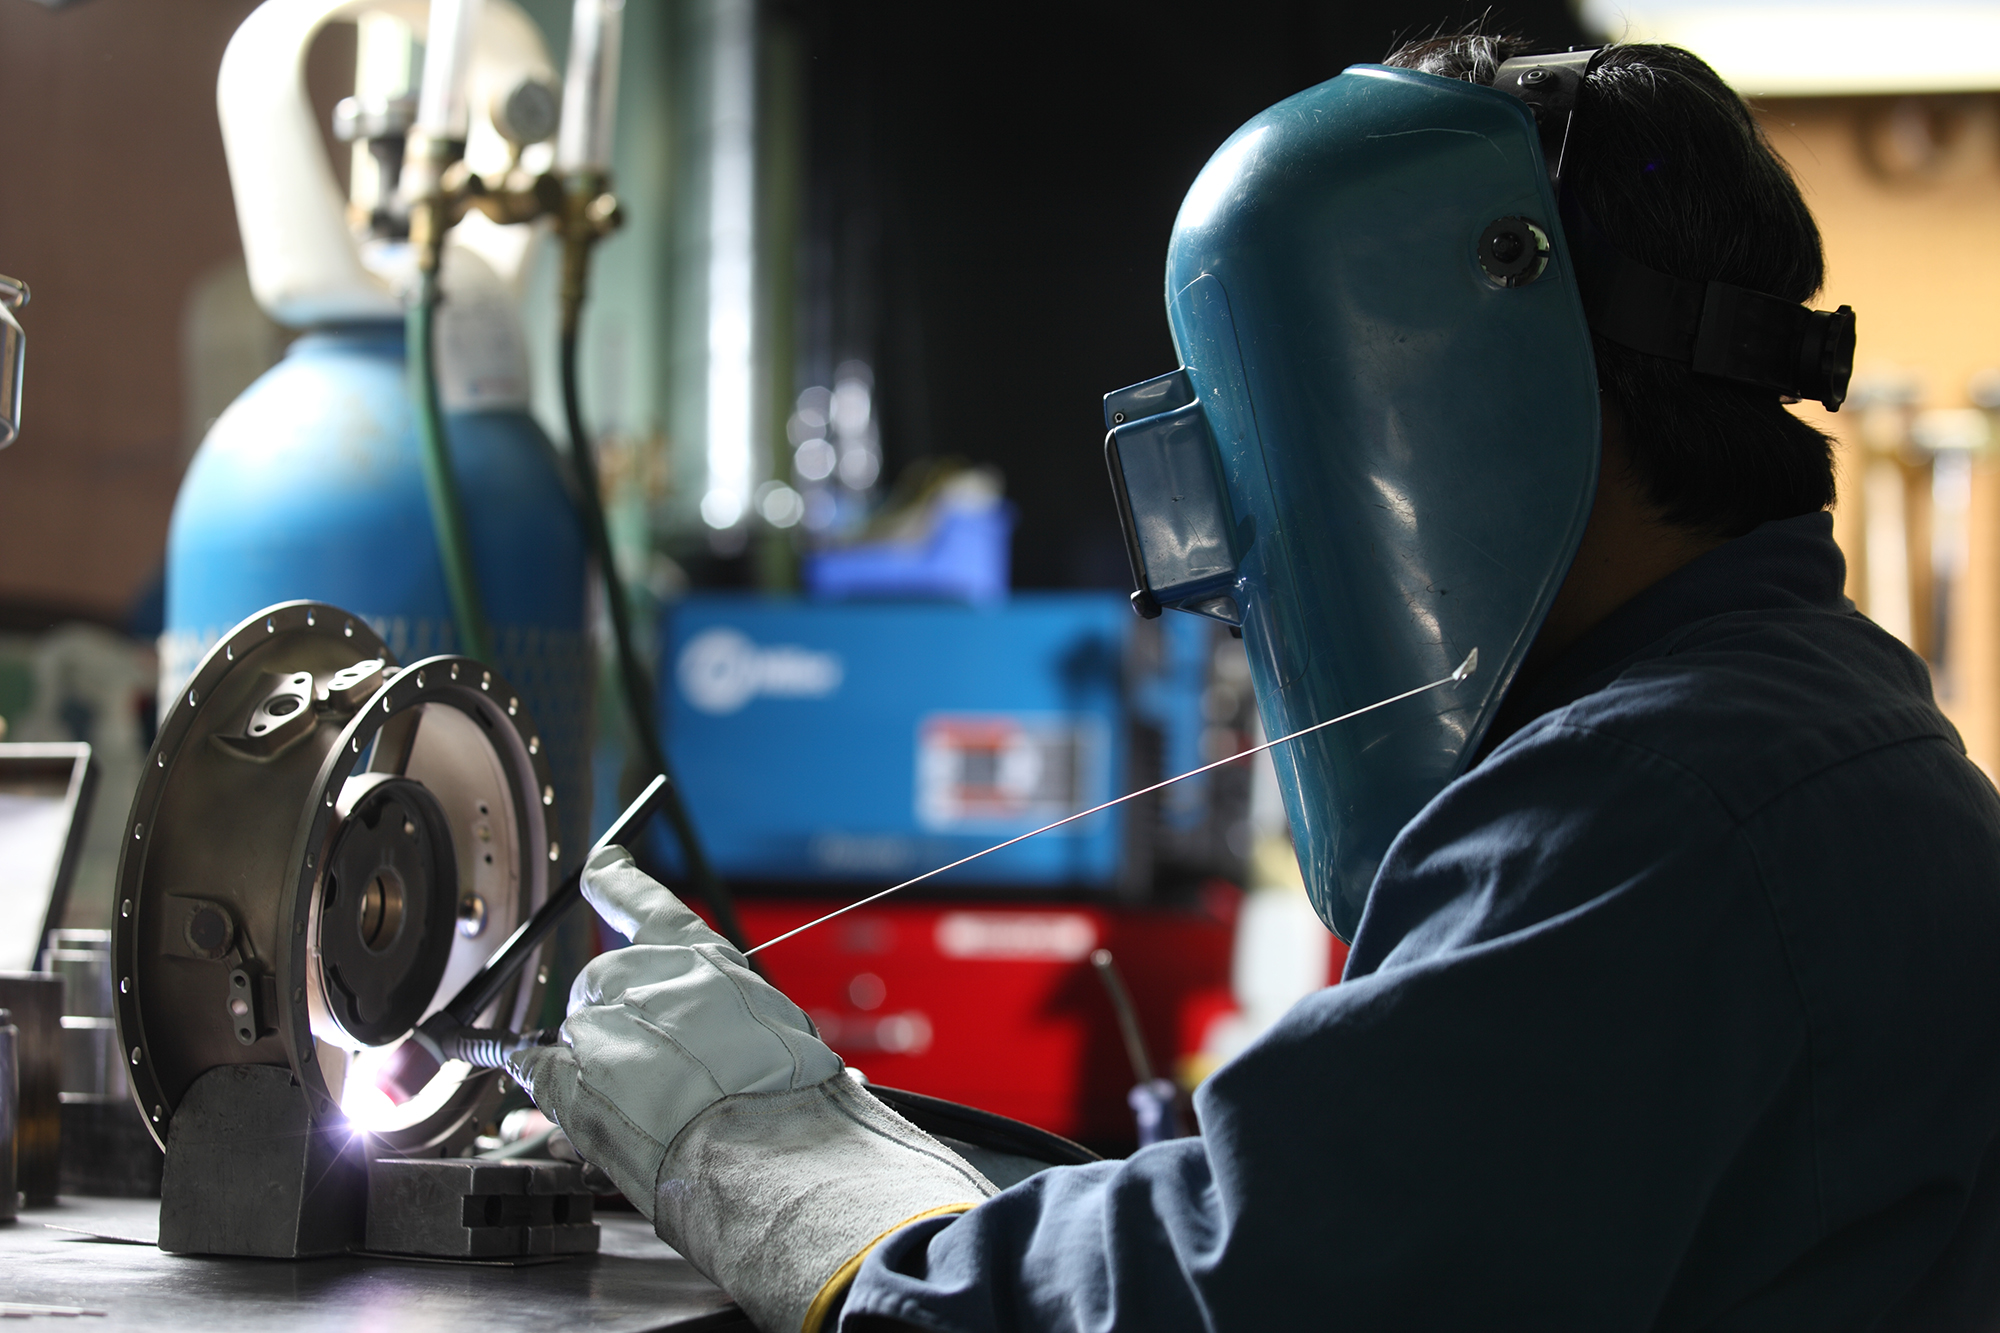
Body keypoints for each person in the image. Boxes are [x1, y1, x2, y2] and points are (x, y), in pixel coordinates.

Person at [511, 35, 2000, 1332]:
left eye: (1268, 448)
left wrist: (770, 1168)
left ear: (1467, 405)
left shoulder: (1656, 808)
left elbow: (1228, 1300)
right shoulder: (1816, 727)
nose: (1226, 581)